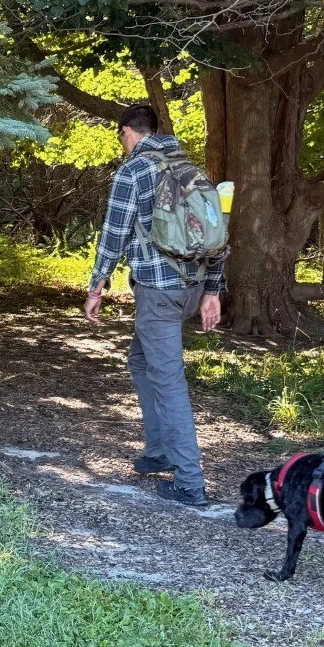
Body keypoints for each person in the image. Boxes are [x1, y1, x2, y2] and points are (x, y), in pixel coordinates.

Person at [85, 103, 224, 506]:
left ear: (128, 131)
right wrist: (212, 291)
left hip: (158, 292)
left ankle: (190, 482)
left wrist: (97, 286)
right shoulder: (192, 169)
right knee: (142, 361)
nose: (122, 145)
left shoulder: (135, 170)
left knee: (169, 379)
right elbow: (217, 232)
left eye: (121, 137)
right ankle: (159, 449)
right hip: (193, 288)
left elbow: (115, 232)